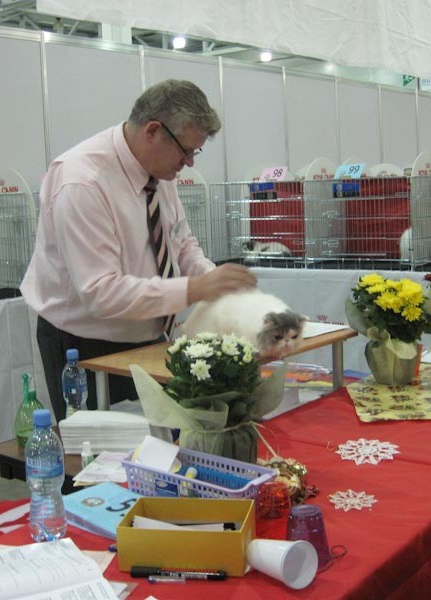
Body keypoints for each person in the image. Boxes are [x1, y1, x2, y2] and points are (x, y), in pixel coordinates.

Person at [21, 79, 256, 419]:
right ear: (153, 131)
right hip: (83, 344)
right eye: (186, 151)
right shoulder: (83, 183)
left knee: (160, 439)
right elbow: (100, 293)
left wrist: (217, 281)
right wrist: (194, 289)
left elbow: (181, 243)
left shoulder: (159, 171)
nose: (189, 163)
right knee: (102, 448)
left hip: (148, 332)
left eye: (195, 152)